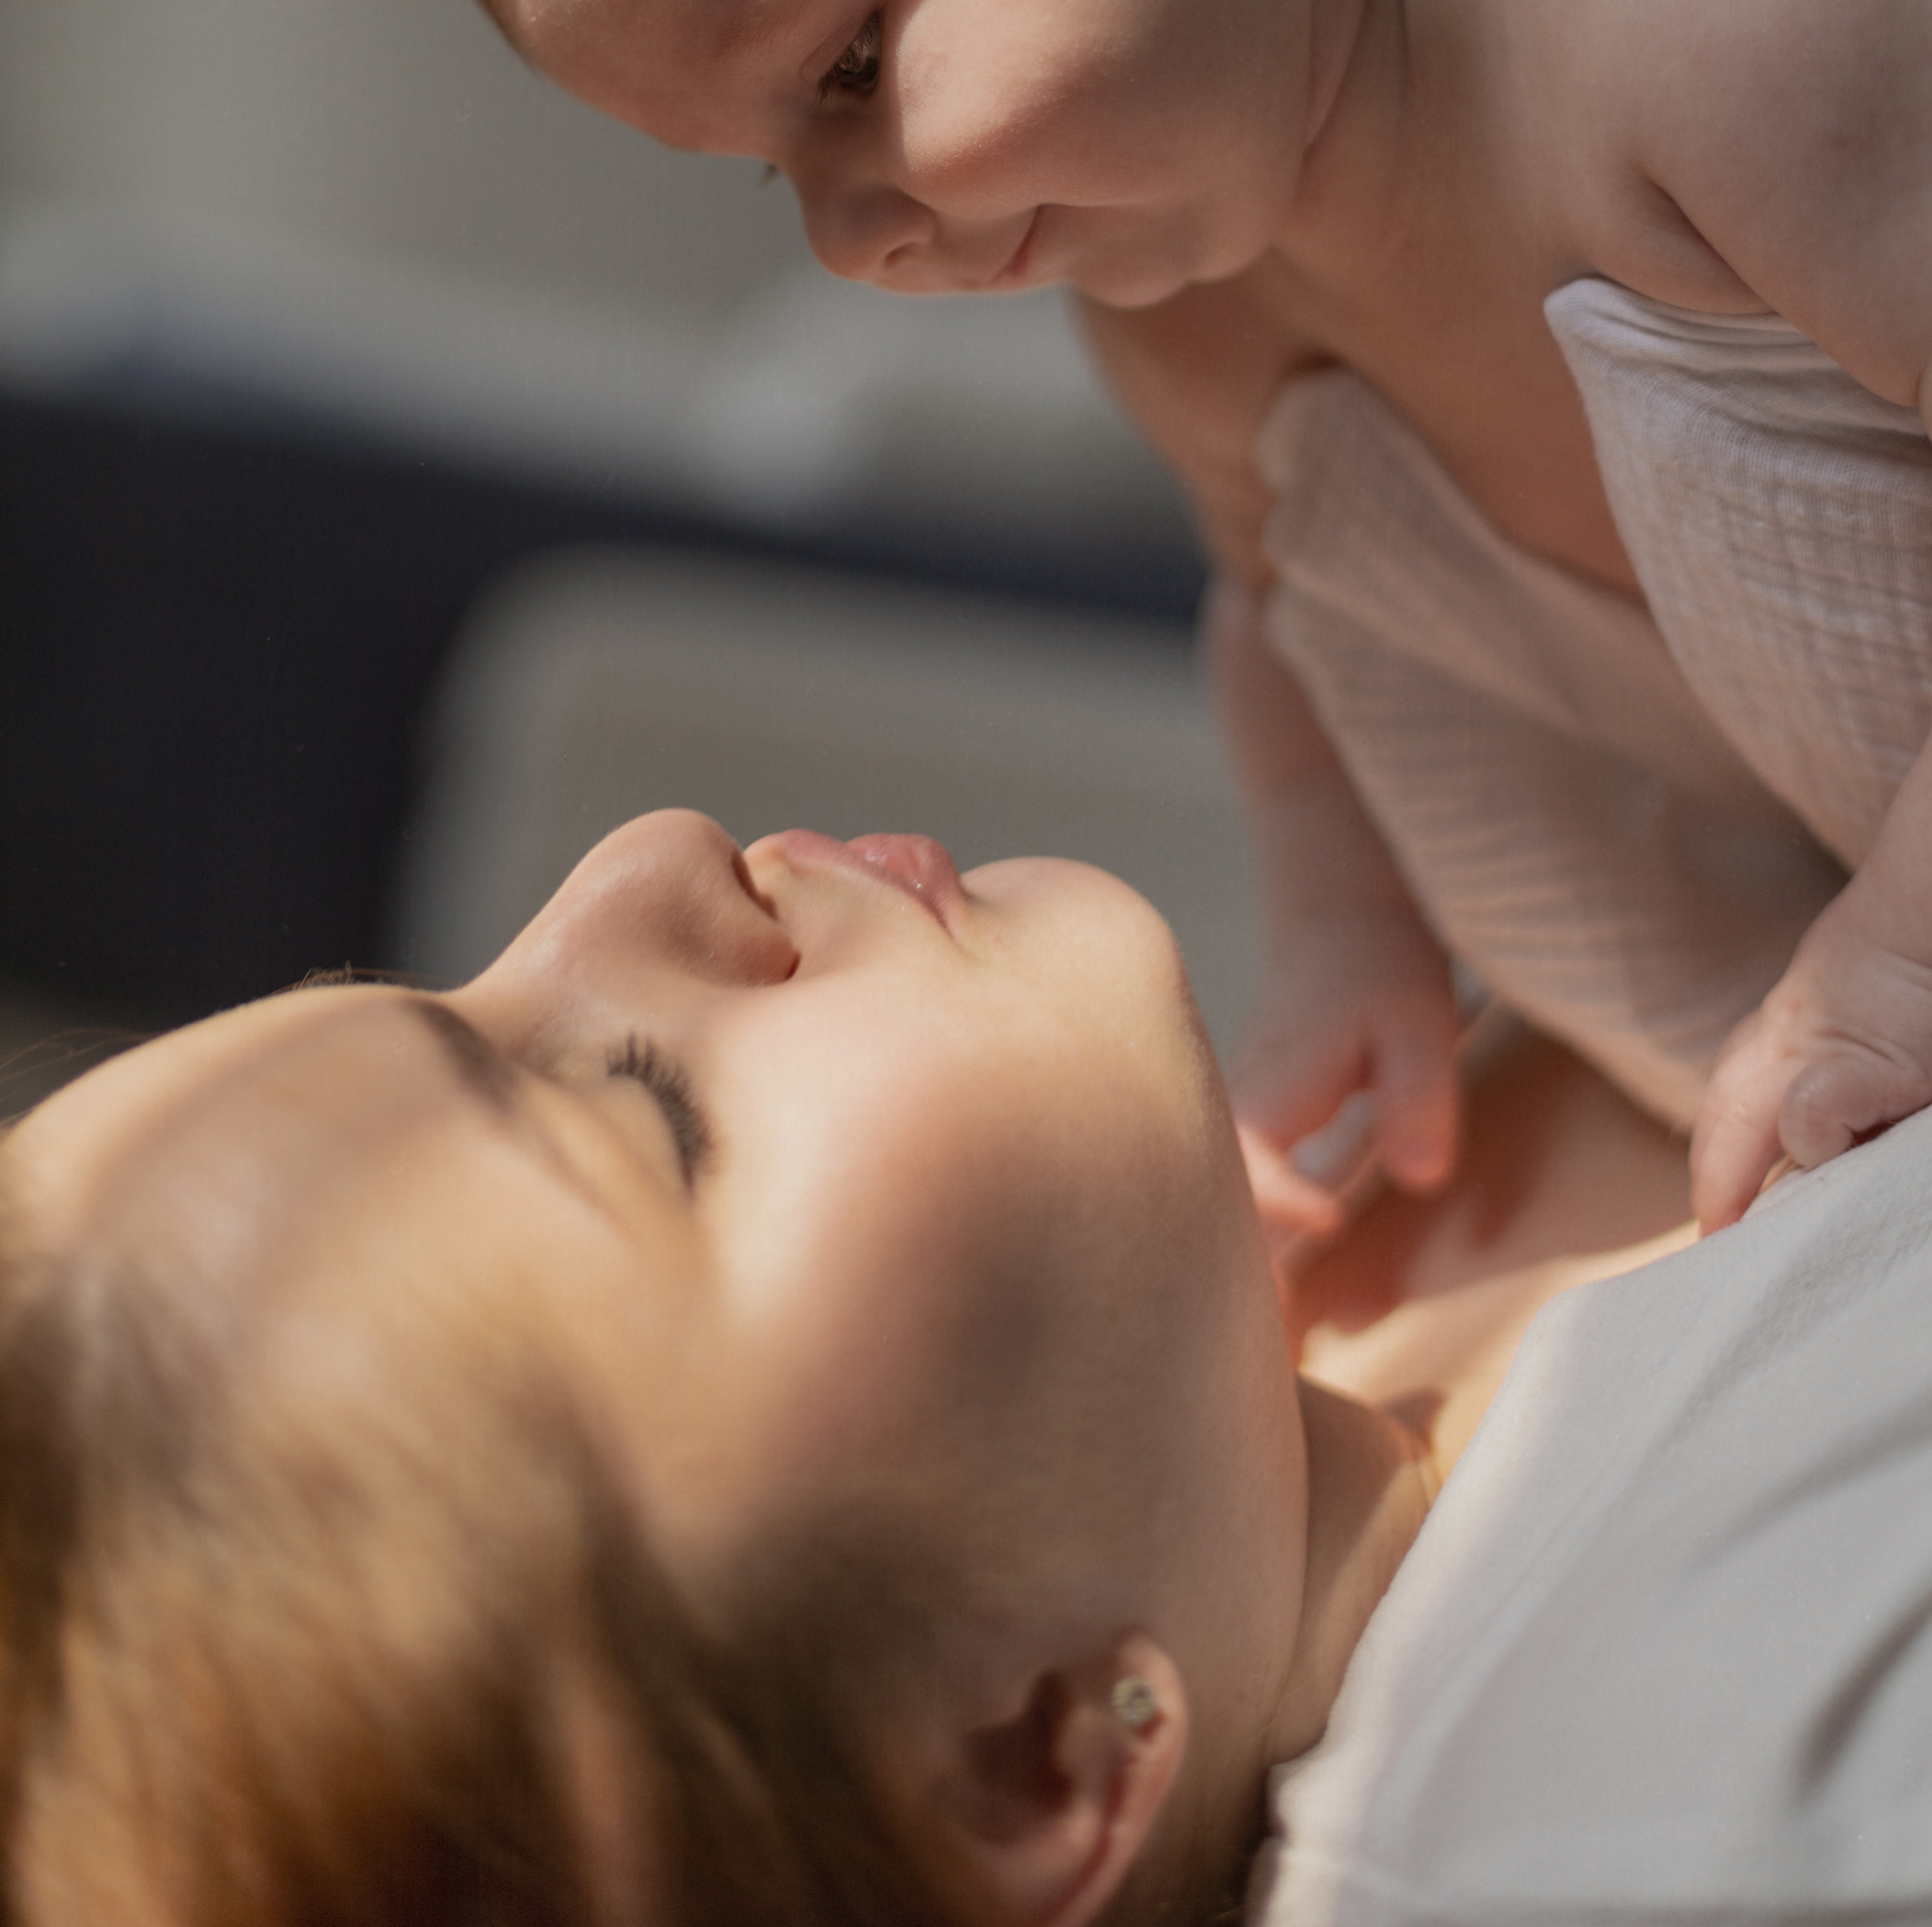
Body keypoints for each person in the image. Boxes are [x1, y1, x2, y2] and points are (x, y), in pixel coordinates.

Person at [392, 0, 1932, 1239]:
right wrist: (1353, 937)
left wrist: (1896, 967)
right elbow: (1305, 640)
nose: (857, 241)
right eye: (782, 169)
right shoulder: (1190, 306)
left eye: (851, 70)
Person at [4, 814, 1929, 1924]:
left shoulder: (1260, 1369)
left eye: (429, 986)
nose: (642, 863)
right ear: (1034, 1764)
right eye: (640, 1112)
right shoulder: (1700, 1781)